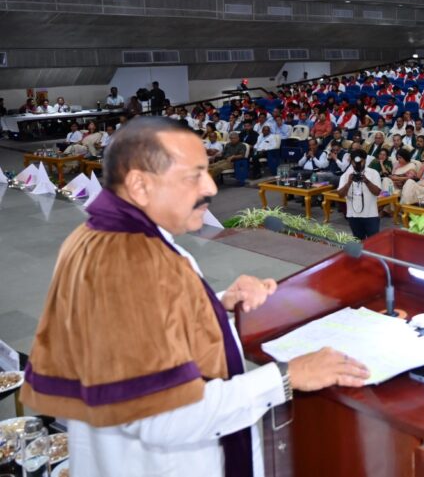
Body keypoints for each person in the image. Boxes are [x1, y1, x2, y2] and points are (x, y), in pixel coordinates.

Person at [20, 118, 369, 476]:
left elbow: (147, 322)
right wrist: (286, 376)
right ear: (140, 185)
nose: (210, 187)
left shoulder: (107, 234)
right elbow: (165, 414)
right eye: (194, 175)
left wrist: (217, 303)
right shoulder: (128, 263)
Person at [337, 149, 383, 239]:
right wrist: (349, 183)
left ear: (365, 160)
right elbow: (340, 195)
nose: (357, 165)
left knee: (374, 241)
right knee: (358, 241)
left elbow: (377, 192)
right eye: (354, 162)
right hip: (353, 215)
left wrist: (366, 181)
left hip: (371, 215)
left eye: (360, 162)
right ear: (351, 161)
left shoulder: (374, 173)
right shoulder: (346, 175)